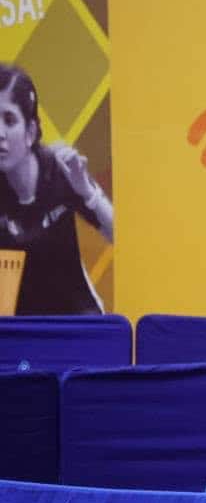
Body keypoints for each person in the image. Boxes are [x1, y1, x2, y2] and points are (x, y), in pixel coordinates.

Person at [0, 63, 113, 315]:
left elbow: (118, 234)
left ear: (30, 132)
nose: (0, 133)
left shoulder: (60, 169)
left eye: (9, 120)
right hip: (23, 329)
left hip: (79, 322)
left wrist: (86, 192)